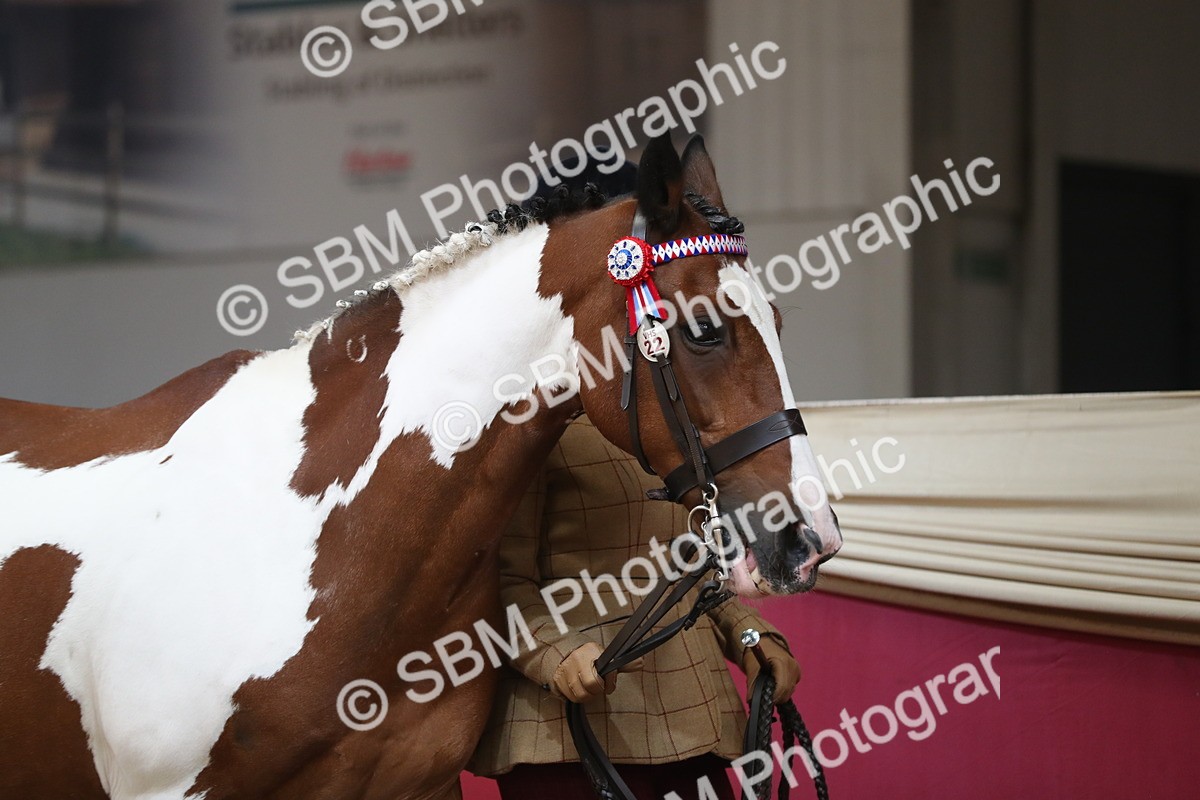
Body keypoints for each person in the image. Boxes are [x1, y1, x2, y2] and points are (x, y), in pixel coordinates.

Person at [468, 415, 800, 800]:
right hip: (566, 729)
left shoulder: (676, 433)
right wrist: (554, 654)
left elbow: (697, 571)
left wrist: (752, 639)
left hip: (694, 712)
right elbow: (500, 585)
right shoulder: (534, 432)